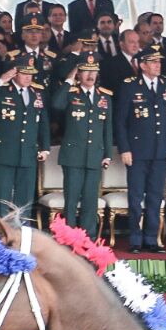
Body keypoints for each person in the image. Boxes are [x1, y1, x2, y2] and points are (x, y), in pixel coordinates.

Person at [115, 45, 166, 253]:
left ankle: (152, 238)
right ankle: (135, 238)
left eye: (159, 62)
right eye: (153, 62)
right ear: (142, 65)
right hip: (137, 151)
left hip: (160, 151)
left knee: (155, 196)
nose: (157, 65)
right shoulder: (130, 86)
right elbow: (120, 121)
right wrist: (124, 148)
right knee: (135, 197)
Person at [0, 55, 50, 215]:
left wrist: (45, 147)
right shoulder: (1, 90)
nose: (28, 77)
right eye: (24, 73)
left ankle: (21, 236)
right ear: (14, 73)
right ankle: (2, 236)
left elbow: (43, 122)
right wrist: (1, 80)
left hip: (28, 153)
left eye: (31, 73)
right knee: (3, 199)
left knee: (25, 200)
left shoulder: (37, 93)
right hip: (4, 153)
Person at [52, 51, 113, 240]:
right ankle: (69, 238)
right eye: (85, 70)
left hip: (95, 155)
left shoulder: (105, 97)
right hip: (73, 156)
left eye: (93, 71)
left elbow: (107, 129)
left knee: (90, 201)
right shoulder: (70, 94)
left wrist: (108, 153)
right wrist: (69, 81)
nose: (90, 75)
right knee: (71, 201)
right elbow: (56, 105)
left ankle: (89, 239)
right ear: (78, 73)